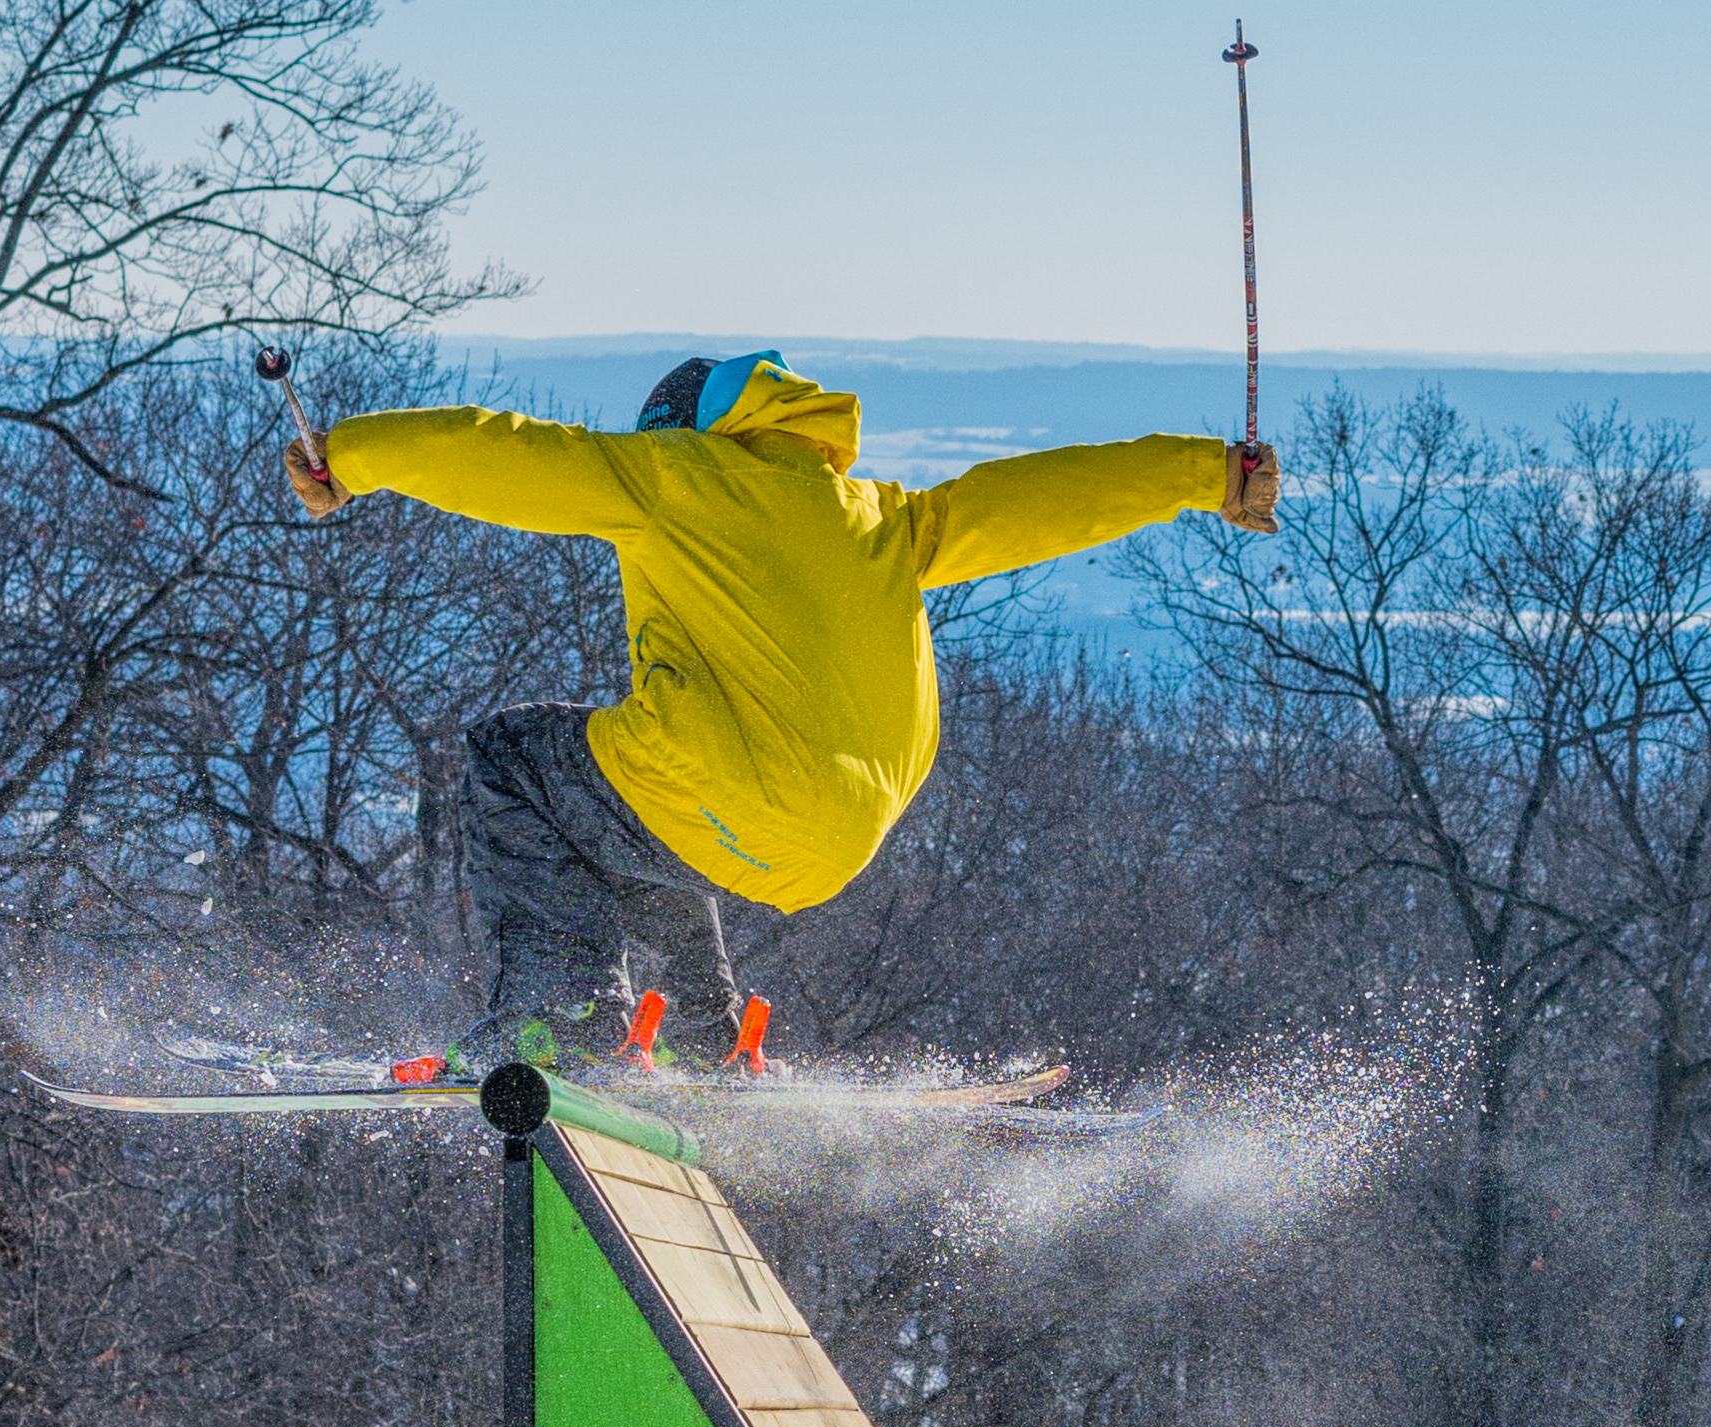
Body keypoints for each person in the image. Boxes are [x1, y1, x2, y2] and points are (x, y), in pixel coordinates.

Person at [285, 349, 1277, 1073]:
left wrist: (351, 457)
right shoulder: (881, 515)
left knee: (513, 758)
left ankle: (560, 1013)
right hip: (840, 839)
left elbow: (495, 453)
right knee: (640, 800)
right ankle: (711, 1033)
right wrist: (1203, 475)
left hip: (732, 791)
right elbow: (1038, 495)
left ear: (682, 435)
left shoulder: (675, 477)